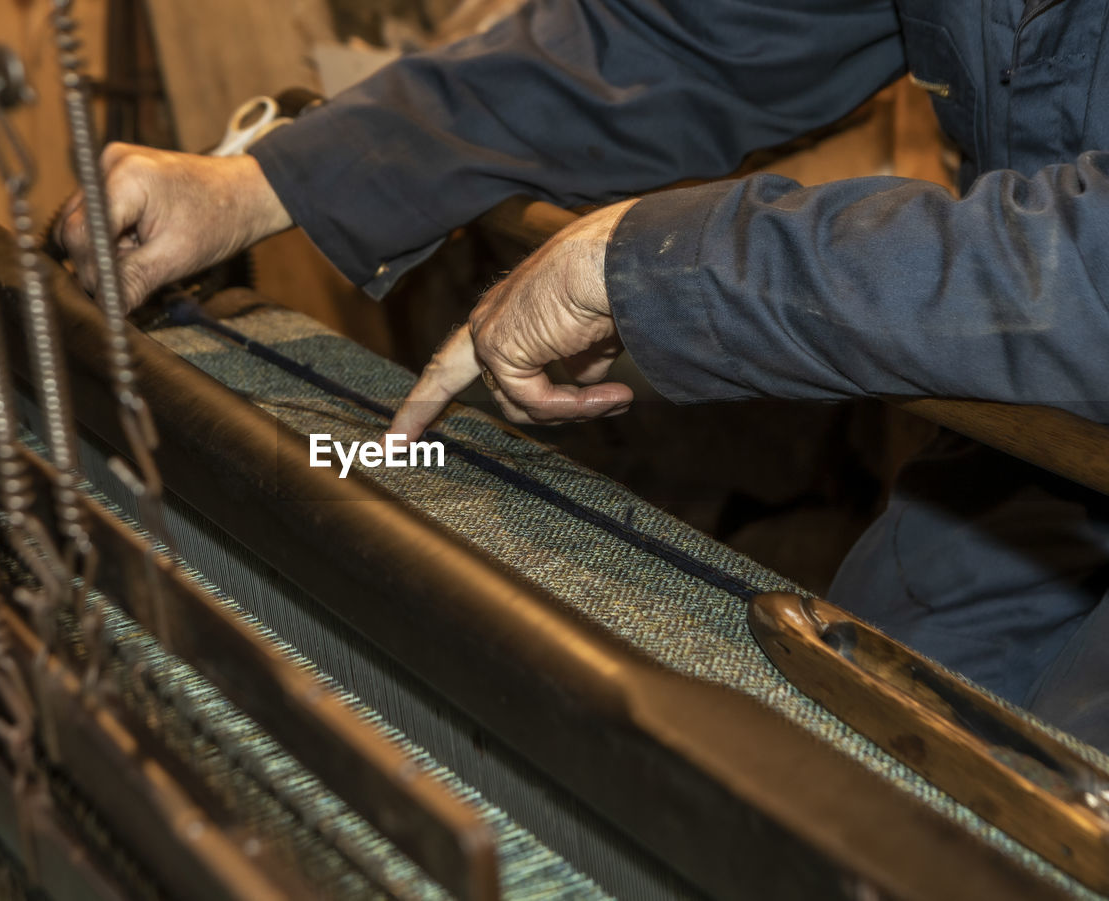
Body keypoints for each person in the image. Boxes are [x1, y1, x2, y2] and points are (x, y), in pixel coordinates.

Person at [58, 0, 1109, 750]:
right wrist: (266, 181)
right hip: (1040, 439)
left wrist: (662, 262)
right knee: (837, 760)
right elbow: (681, 41)